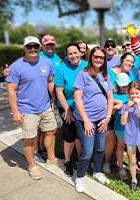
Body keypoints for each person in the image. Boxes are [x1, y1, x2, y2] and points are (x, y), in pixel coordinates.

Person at [6, 36, 62, 180]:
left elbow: (50, 82)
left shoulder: (47, 62)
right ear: (24, 48)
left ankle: (51, 159)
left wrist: (53, 100)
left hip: (45, 106)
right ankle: (32, 166)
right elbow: (11, 90)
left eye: (35, 46)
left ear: (39, 47)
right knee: (29, 138)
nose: (32, 49)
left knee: (51, 130)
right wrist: (15, 112)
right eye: (29, 47)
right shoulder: (16, 66)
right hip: (27, 110)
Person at [73, 46, 113, 193]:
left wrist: (108, 117)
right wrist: (86, 121)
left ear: (104, 60)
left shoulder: (105, 75)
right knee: (88, 150)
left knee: (100, 148)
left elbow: (110, 97)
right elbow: (77, 99)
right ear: (91, 57)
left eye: (101, 58)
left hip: (102, 119)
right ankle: (80, 176)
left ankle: (96, 172)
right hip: (86, 120)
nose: (98, 60)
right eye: (96, 57)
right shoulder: (82, 74)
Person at [54, 43, 88, 177]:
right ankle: (68, 162)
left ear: (80, 52)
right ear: (67, 55)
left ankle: (81, 159)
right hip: (66, 105)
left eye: (75, 52)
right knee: (69, 133)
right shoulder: (62, 69)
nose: (73, 56)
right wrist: (67, 110)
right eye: (70, 54)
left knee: (81, 134)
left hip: (84, 106)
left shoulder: (87, 66)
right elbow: (59, 91)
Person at [103, 53, 136, 174]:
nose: (129, 63)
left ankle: (119, 162)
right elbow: (104, 91)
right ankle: (107, 161)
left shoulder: (131, 76)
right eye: (127, 60)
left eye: (132, 62)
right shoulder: (109, 72)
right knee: (111, 140)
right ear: (121, 60)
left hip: (126, 119)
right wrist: (115, 102)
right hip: (112, 113)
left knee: (123, 143)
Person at [110, 73, 131, 180]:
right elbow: (111, 112)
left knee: (131, 147)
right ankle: (121, 167)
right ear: (117, 84)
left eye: (126, 85)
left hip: (132, 127)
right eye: (122, 85)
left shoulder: (132, 95)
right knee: (120, 146)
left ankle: (132, 164)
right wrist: (115, 106)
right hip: (120, 126)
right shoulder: (114, 96)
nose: (124, 87)